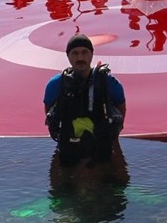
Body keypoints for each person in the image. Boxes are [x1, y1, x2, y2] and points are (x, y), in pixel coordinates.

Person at [43, 34, 126, 168]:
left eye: (84, 52)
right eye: (75, 53)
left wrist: (114, 136)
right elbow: (48, 112)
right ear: (68, 56)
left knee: (114, 181)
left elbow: (121, 108)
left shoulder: (108, 82)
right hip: (68, 143)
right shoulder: (55, 84)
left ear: (92, 54)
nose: (80, 58)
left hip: (102, 143)